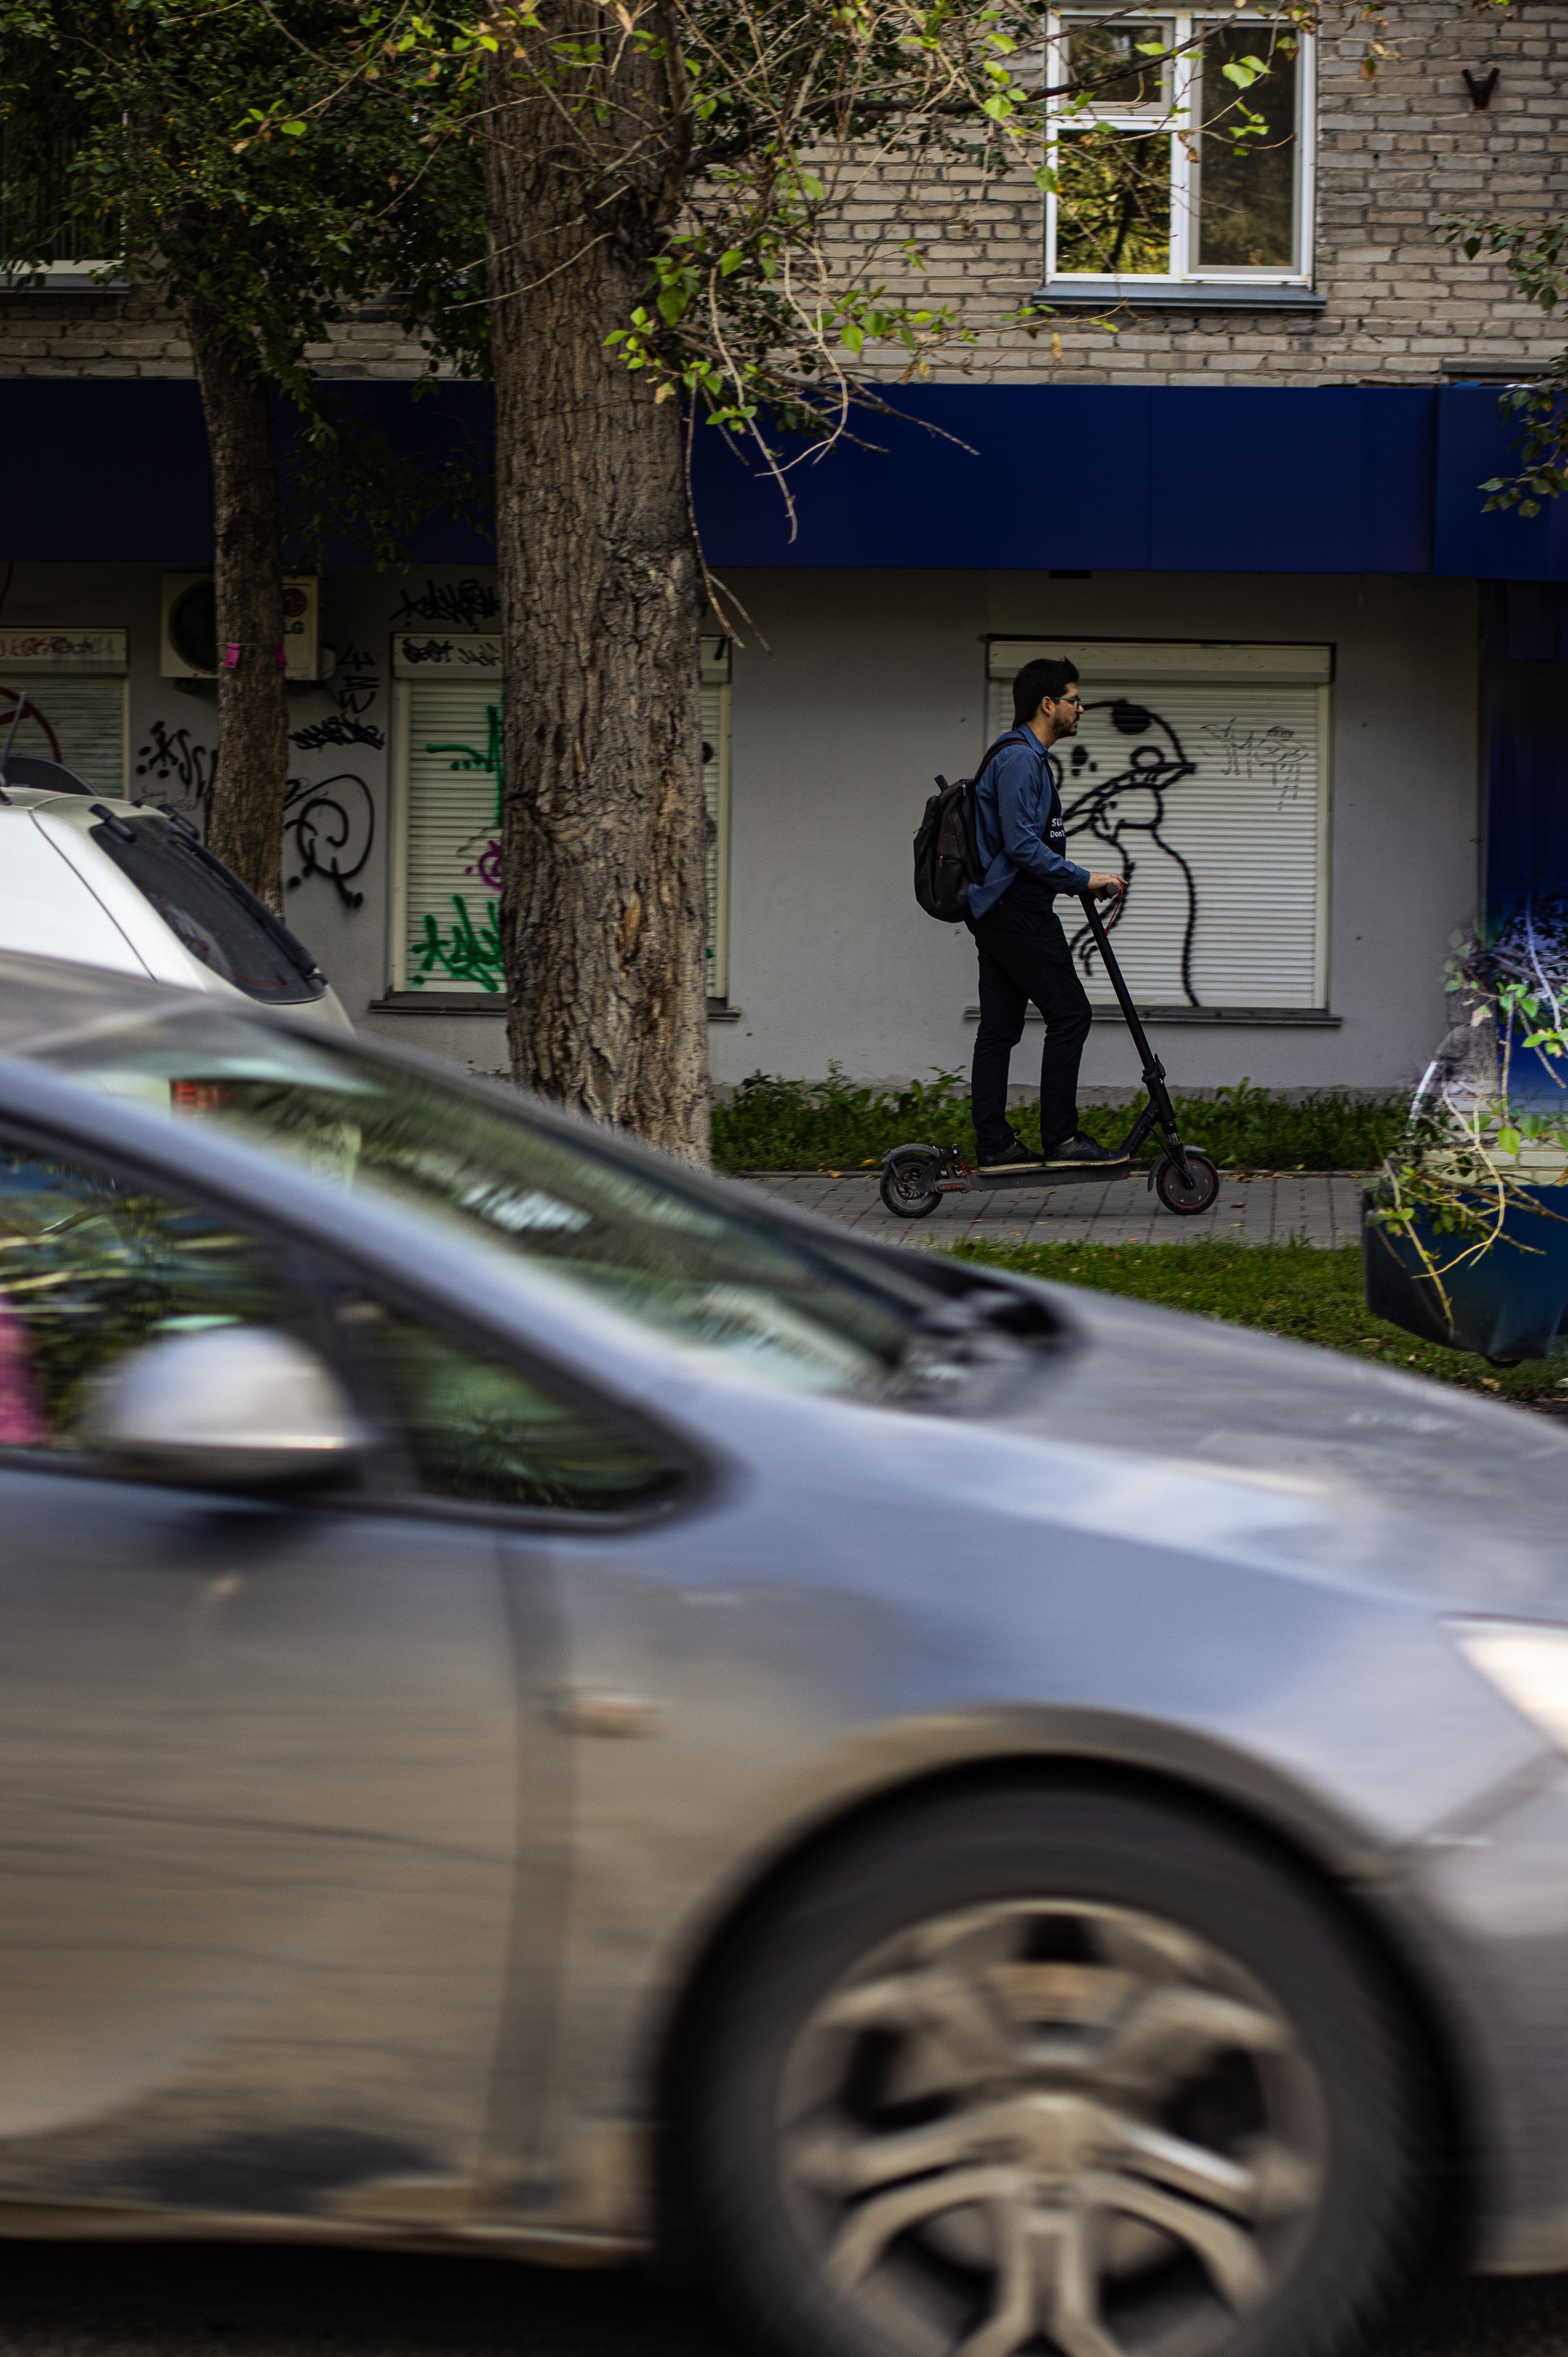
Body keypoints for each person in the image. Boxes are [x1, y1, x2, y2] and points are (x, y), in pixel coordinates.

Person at [967, 655, 1121, 1173]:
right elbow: (1021, 845)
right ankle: (1061, 1138)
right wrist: (1084, 878)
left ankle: (995, 1146)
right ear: (1048, 704)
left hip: (1005, 909)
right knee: (1071, 1014)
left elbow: (1030, 845)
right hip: (1017, 911)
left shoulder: (1029, 760)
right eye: (1075, 699)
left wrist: (1078, 881)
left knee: (1000, 1028)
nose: (1081, 709)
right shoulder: (1018, 760)